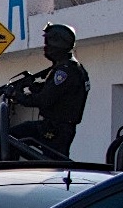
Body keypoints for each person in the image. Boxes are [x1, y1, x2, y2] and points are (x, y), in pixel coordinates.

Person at [8, 22, 90, 159]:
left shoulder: (65, 71)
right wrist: (32, 86)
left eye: (48, 44)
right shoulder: (69, 68)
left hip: (56, 128)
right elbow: (55, 93)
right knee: (13, 137)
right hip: (55, 126)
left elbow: (44, 100)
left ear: (58, 45)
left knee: (10, 138)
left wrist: (16, 95)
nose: (45, 48)